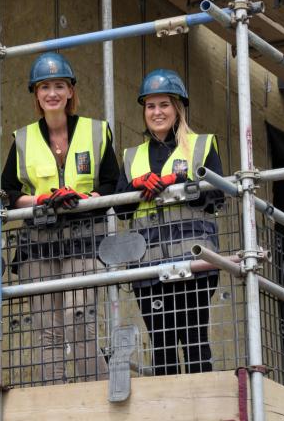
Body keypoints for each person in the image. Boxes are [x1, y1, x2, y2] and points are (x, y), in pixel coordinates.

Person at [1, 52, 119, 385]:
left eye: (59, 86)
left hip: (84, 238)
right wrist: (40, 200)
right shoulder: (23, 138)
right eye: (44, 87)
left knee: (77, 319)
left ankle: (97, 390)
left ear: (70, 91)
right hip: (39, 243)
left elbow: (111, 182)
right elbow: (8, 192)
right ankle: (54, 394)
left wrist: (85, 199)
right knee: (47, 329)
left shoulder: (96, 132)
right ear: (36, 95)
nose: (52, 93)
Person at [115, 69, 223, 375]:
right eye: (150, 106)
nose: (157, 112)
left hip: (193, 262)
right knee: (161, 347)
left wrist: (180, 182)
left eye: (164, 105)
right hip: (148, 267)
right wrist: (137, 186)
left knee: (194, 342)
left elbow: (217, 197)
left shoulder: (202, 145)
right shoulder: (131, 155)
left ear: (178, 107)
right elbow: (121, 210)